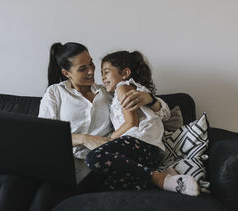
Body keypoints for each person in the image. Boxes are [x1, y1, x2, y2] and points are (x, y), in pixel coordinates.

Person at [38, 42, 164, 185]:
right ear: (66, 73)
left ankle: (158, 178)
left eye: (91, 63)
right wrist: (84, 139)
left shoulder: (108, 91)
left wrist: (151, 99)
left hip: (102, 164)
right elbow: (46, 137)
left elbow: (162, 114)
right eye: (82, 69)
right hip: (64, 165)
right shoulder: (55, 92)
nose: (91, 71)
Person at [85, 50, 199, 196]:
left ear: (125, 73)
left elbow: (132, 122)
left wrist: (110, 138)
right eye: (101, 73)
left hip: (139, 140)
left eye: (106, 72)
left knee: (94, 157)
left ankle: (161, 179)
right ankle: (164, 174)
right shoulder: (126, 91)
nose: (102, 77)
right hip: (149, 152)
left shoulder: (123, 87)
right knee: (109, 185)